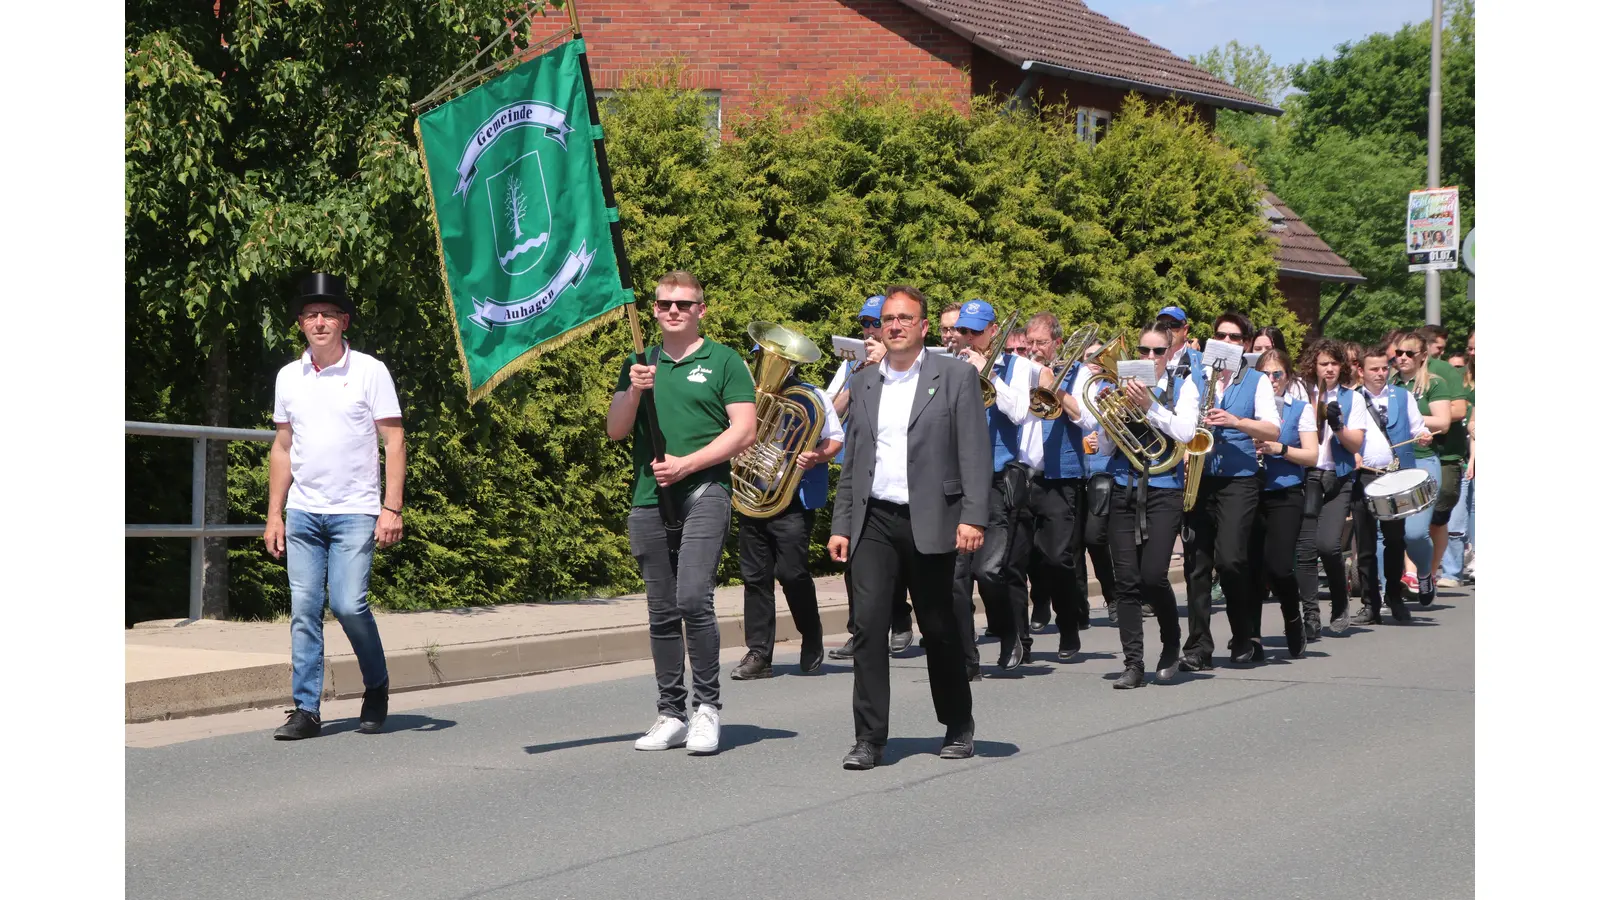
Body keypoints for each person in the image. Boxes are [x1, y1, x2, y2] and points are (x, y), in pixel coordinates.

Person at [828, 285, 991, 770]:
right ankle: (869, 738)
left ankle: (958, 724)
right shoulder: (864, 382)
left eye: (905, 318)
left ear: (923, 327)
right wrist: (841, 525)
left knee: (939, 629)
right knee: (869, 628)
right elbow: (855, 460)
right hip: (874, 520)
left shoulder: (956, 376)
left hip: (934, 519)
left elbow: (974, 452)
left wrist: (973, 515)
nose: (894, 325)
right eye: (887, 319)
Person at [607, 271, 758, 755]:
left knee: (693, 598)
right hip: (650, 496)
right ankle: (670, 712)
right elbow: (614, 430)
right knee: (661, 610)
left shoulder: (724, 361)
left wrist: (688, 464)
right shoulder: (639, 362)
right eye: (665, 304)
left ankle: (707, 708)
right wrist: (633, 391)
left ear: (701, 311)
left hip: (703, 489)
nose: (673, 311)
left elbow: (745, 431)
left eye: (684, 305)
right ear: (653, 310)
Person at [265, 273, 403, 741]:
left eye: (327, 315)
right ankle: (305, 709)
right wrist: (274, 514)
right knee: (304, 608)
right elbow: (282, 447)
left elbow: (394, 438)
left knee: (347, 603)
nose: (319, 322)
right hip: (304, 511)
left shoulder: (369, 371)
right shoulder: (289, 377)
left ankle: (376, 684)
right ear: (301, 324)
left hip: (355, 510)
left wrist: (392, 507)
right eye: (310, 315)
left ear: (343, 321)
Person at [730, 341, 845, 681]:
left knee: (792, 574)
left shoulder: (813, 397)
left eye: (773, 360)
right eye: (760, 358)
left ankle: (811, 635)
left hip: (791, 498)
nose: (764, 365)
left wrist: (817, 456)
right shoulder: (744, 396)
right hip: (753, 496)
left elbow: (835, 438)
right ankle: (759, 654)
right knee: (755, 578)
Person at [1102, 321, 1201, 689]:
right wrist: (1112, 420)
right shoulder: (1119, 389)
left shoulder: (1183, 385)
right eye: (1143, 351)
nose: (1149, 357)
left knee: (1152, 575)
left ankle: (1172, 638)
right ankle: (1133, 663)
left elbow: (1188, 433)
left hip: (1163, 490)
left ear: (1170, 352)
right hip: (1123, 487)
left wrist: (1150, 407)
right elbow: (1107, 445)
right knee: (1125, 581)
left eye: (1158, 351)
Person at [1180, 312, 1280, 669]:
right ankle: (1198, 647)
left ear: (1247, 345)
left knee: (1232, 560)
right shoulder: (1196, 379)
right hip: (1201, 477)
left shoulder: (1257, 381)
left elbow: (1272, 429)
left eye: (1235, 338)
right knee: (1197, 564)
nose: (1226, 342)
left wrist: (1236, 421)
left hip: (1240, 479)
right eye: (1220, 336)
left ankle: (1243, 634)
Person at [950, 299, 1044, 672]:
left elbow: (1021, 412)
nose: (967, 338)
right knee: (956, 577)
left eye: (975, 331)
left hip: (996, 479)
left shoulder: (1019, 367)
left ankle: (1010, 634)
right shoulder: (950, 364)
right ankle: (966, 657)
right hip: (957, 479)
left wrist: (988, 377)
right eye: (963, 331)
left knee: (990, 571)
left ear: (993, 332)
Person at [825, 296, 913, 661]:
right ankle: (859, 631)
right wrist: (861, 372)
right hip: (859, 474)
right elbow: (832, 411)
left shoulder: (907, 369)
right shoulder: (854, 367)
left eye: (876, 323)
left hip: (894, 478)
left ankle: (901, 619)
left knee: (898, 560)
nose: (870, 331)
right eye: (865, 324)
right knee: (854, 560)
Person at [1023, 312, 1094, 660]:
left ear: (1057, 344)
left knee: (1057, 558)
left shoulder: (1078, 374)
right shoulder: (1018, 371)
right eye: (1030, 343)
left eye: (1041, 343)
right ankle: (1017, 639)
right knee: (1015, 560)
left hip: (1060, 477)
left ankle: (1069, 624)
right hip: (1021, 473)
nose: (1035, 350)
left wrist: (1057, 388)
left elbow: (1087, 418)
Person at [1350, 345, 1433, 625]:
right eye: (1374, 369)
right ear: (1361, 371)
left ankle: (1395, 598)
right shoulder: (1352, 398)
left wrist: (1422, 435)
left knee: (1395, 541)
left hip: (1395, 477)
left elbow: (1417, 426)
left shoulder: (1403, 396)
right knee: (1365, 543)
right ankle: (1370, 603)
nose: (1381, 374)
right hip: (1364, 476)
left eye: (1385, 368)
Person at [1296, 339, 1369, 638]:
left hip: (1337, 479)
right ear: (1314, 365)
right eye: (1323, 363)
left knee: (1328, 545)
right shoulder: (1301, 394)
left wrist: (1338, 426)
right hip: (1306, 476)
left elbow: (1356, 444)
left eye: (1334, 363)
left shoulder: (1354, 399)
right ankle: (1310, 614)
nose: (1329, 368)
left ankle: (1340, 602)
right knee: (1304, 549)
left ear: (1342, 367)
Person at [1247, 349, 1315, 659]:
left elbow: (1312, 456)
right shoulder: (1247, 410)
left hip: (1285, 493)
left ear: (1288, 377)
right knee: (1250, 568)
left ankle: (1293, 617)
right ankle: (1252, 637)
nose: (1272, 380)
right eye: (1265, 374)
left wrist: (1281, 448)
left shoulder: (1300, 409)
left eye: (1278, 374)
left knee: (1278, 566)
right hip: (1249, 492)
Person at [1394, 330, 1466, 606]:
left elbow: (1444, 422)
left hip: (1424, 459)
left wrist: (1406, 418)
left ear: (1422, 356)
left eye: (1408, 353)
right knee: (1389, 531)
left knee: (1416, 530)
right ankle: (1393, 586)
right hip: (1393, 462)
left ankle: (1425, 573)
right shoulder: (1389, 383)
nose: (1401, 358)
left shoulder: (1434, 384)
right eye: (1398, 353)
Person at [1440, 353, 1475, 586]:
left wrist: (1472, 458)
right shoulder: (1460, 380)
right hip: (1459, 458)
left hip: (1467, 456)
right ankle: (1451, 572)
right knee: (1455, 517)